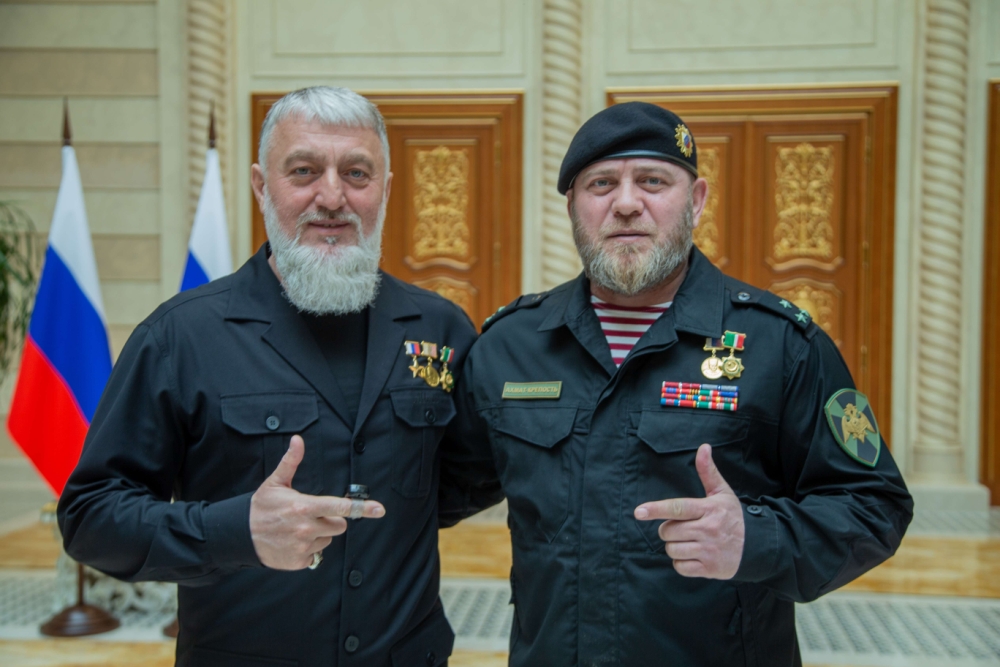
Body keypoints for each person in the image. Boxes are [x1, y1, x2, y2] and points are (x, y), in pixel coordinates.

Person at [458, 102, 913, 666]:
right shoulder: (510, 346)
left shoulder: (781, 345)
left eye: (653, 181)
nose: (627, 203)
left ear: (695, 200)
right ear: (573, 206)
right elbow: (436, 485)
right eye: (601, 184)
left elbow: (874, 505)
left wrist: (756, 538)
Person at [58, 86, 499, 667]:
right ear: (262, 186)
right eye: (304, 171)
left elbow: (466, 476)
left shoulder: (441, 327)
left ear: (386, 191)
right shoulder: (180, 337)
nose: (332, 197)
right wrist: (234, 531)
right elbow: (90, 518)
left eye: (357, 173)